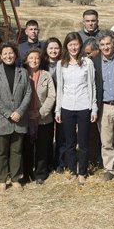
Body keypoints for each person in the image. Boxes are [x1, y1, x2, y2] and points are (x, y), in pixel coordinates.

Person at [55, 32, 97, 185]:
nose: (73, 47)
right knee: (70, 142)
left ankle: (83, 171)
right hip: (67, 106)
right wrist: (58, 110)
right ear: (66, 46)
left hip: (84, 106)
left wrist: (94, 108)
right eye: (70, 44)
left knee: (83, 142)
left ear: (80, 45)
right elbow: (60, 88)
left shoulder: (87, 63)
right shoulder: (61, 64)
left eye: (76, 44)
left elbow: (92, 85)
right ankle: (73, 170)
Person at [0, 42, 32, 190]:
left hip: (19, 119)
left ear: (15, 54)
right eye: (5, 53)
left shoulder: (23, 72)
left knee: (16, 151)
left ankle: (15, 178)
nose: (8, 56)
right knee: (1, 151)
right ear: (0, 56)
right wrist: (8, 113)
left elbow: (28, 93)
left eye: (11, 53)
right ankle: (2, 179)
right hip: (2, 119)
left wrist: (19, 111)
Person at [93, 33, 114, 182]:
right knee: (106, 141)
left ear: (113, 44)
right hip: (104, 106)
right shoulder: (94, 62)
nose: (106, 47)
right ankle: (109, 169)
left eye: (108, 44)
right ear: (99, 47)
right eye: (103, 45)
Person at [21, 49, 56, 184]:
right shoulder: (21, 74)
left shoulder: (46, 75)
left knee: (42, 147)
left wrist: (41, 112)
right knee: (27, 148)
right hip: (26, 118)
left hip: (43, 119)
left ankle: (41, 173)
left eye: (37, 58)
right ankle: (27, 173)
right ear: (26, 60)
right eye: (31, 58)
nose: (34, 61)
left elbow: (52, 95)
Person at [44, 37, 65, 173]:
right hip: (46, 104)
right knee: (46, 135)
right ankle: (46, 162)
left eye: (56, 48)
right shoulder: (41, 65)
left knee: (61, 135)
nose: (53, 51)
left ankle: (60, 162)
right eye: (50, 48)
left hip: (62, 103)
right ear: (46, 50)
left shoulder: (64, 64)